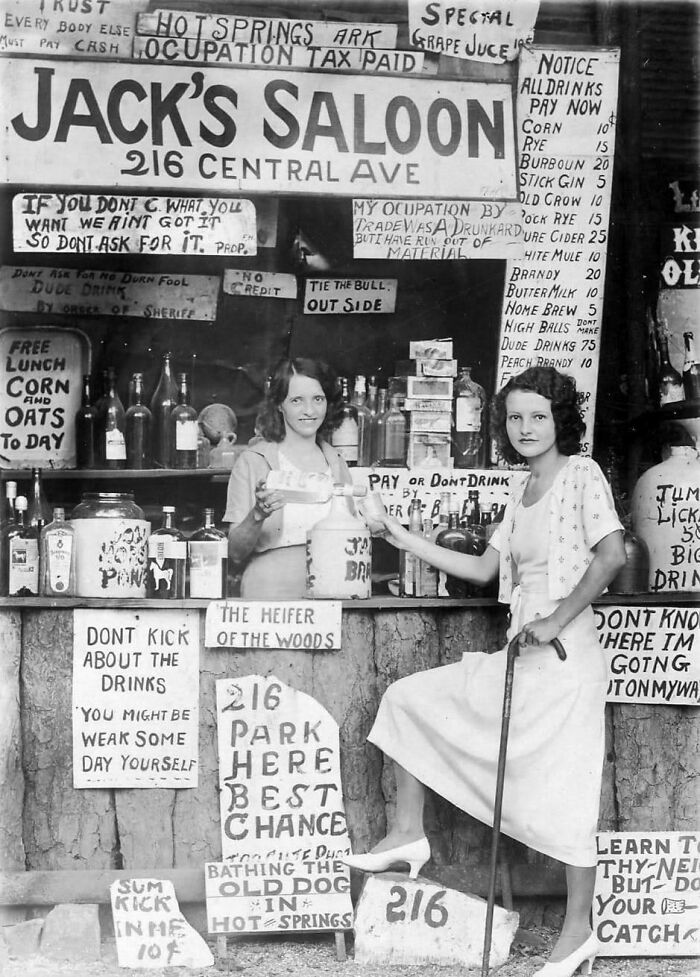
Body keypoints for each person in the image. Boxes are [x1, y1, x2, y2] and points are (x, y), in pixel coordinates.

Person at [344, 366, 626, 977]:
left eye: (538, 416)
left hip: (565, 657)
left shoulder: (582, 474)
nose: (525, 428)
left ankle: (578, 933)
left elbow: (611, 555)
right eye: (516, 417)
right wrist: (397, 533)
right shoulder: (519, 493)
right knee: (407, 697)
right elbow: (481, 572)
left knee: (569, 793)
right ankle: (407, 835)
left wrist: (554, 619)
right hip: (519, 657)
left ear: (561, 421)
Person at [224, 357, 352, 598]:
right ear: (279, 405)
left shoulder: (336, 463)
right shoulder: (254, 461)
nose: (310, 411)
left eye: (318, 399)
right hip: (270, 590)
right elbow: (235, 552)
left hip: (332, 590)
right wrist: (258, 514)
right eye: (296, 400)